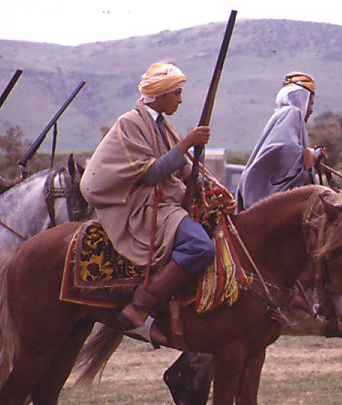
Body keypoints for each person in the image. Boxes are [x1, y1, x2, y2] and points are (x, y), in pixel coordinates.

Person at [80, 62, 232, 342]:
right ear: (160, 94)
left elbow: (185, 168)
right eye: (176, 93)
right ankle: (141, 304)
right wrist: (186, 144)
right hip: (144, 208)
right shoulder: (130, 123)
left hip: (165, 203)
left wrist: (213, 189)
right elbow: (151, 174)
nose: (180, 100)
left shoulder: (161, 124)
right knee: (199, 247)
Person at [236, 71, 326, 212]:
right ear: (302, 99)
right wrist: (314, 155)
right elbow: (285, 149)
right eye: (310, 103)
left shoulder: (280, 114)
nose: (311, 110)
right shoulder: (293, 113)